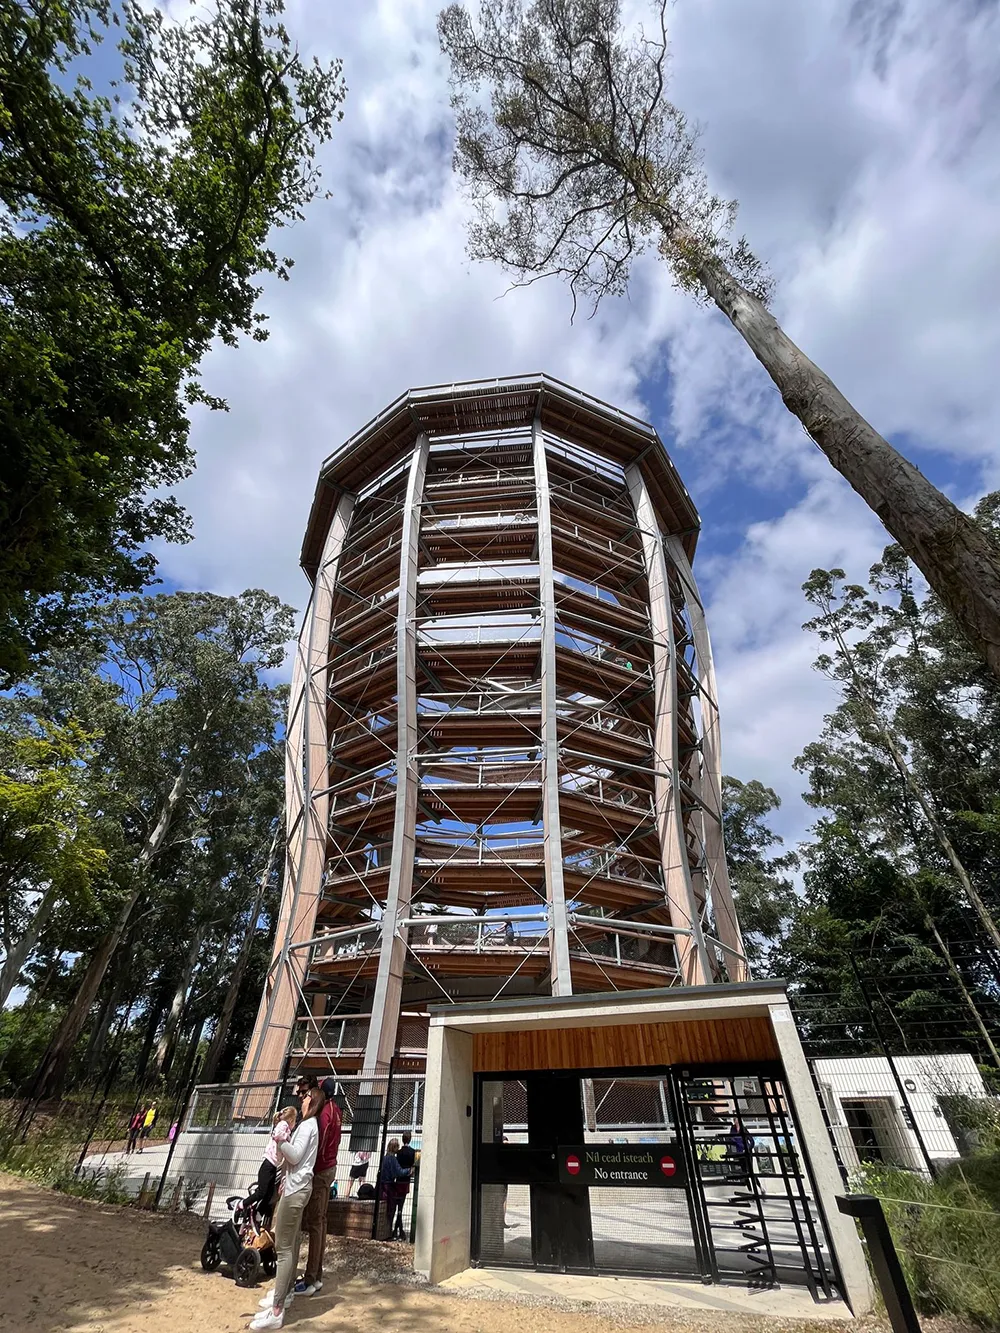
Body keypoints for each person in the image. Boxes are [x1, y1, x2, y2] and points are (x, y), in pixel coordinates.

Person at [250, 1086, 323, 1331]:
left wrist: (280, 1140)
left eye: (306, 1097)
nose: (301, 1099)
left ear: (312, 1102)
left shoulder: (307, 1126)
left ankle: (277, 1308)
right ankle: (285, 1293)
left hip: (295, 1191)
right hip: (297, 1186)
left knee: (284, 1248)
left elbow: (295, 1155)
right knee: (290, 1245)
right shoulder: (309, 1126)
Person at [294, 1076, 343, 1297]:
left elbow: (319, 1143)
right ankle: (317, 1275)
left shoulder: (322, 1114)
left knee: (315, 1223)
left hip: (320, 1170)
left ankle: (311, 1277)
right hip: (330, 1167)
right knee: (320, 1222)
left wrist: (311, 1167)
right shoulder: (337, 1110)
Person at [257, 1106, 296, 1226]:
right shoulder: (283, 1124)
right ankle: (244, 1204)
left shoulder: (284, 1127)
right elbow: (278, 1135)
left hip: (274, 1164)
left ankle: (258, 1213)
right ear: (291, 1119)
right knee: (263, 1192)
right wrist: (289, 1139)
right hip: (270, 1161)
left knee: (269, 1193)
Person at [378, 1137, 410, 1241]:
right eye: (397, 1147)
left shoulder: (385, 1157)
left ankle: (384, 1231)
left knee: (385, 1208)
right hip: (389, 1185)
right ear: (394, 1147)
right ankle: (388, 1232)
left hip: (382, 1184)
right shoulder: (392, 1158)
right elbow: (398, 1172)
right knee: (391, 1209)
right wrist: (409, 1170)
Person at [391, 1132, 416, 1241]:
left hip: (398, 1180)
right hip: (406, 1181)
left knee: (397, 1206)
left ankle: (397, 1230)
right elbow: (413, 1166)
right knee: (400, 1206)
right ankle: (399, 1230)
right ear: (410, 1139)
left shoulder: (399, 1153)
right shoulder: (412, 1152)